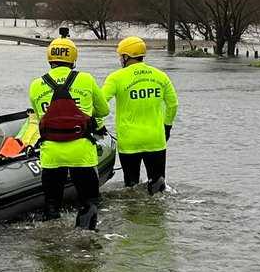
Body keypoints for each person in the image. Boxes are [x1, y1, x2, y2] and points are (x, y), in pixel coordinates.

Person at [27, 36, 110, 228]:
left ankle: (52, 243)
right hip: (82, 152)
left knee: (51, 205)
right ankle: (86, 242)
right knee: (89, 202)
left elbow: (41, 117)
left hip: (51, 154)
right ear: (73, 58)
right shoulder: (86, 79)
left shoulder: (35, 85)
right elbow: (104, 110)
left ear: (50, 58)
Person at [101, 35, 179, 193]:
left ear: (125, 56)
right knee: (158, 186)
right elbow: (173, 104)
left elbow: (100, 104)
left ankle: (131, 214)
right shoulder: (160, 75)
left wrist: (98, 126)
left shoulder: (116, 78)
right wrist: (167, 127)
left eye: (120, 56)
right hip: (155, 139)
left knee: (131, 187)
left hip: (129, 141)